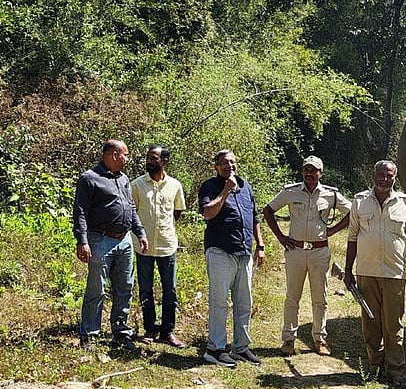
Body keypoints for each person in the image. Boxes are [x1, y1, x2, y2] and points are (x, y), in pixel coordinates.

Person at [263, 155, 351, 356]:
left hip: (320, 252)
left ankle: (319, 339)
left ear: (321, 173)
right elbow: (268, 210)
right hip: (296, 252)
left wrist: (333, 229)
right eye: (306, 170)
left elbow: (353, 211)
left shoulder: (331, 195)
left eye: (314, 170)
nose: (310, 174)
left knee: (320, 297)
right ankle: (288, 340)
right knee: (292, 297)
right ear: (302, 172)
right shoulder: (291, 192)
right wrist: (281, 238)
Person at [344, 160, 406, 386]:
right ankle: (374, 366)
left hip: (394, 273)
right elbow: (352, 237)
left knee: (393, 324)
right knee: (370, 322)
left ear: (395, 178)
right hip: (366, 272)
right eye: (380, 174)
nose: (384, 179)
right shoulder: (359, 201)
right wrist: (348, 270)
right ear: (373, 175)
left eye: (389, 175)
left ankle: (396, 370)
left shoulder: (405, 203)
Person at [72, 139, 148, 353]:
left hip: (124, 240)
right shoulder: (90, 178)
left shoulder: (123, 179)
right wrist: (83, 241)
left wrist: (139, 232)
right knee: (97, 288)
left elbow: (130, 208)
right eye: (125, 155)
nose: (127, 159)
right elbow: (80, 212)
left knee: (125, 286)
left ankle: (121, 332)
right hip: (100, 240)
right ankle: (89, 335)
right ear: (114, 155)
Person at [198, 149, 266, 367]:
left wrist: (261, 245)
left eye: (232, 162)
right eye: (223, 163)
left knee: (244, 302)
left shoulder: (246, 187)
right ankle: (215, 350)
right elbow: (207, 213)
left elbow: (254, 217)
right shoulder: (210, 186)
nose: (229, 166)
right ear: (216, 167)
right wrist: (226, 191)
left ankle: (240, 348)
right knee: (220, 302)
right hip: (220, 250)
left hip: (244, 251)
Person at [130, 144, 187, 348]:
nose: (149, 161)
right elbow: (132, 213)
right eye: (148, 158)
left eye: (154, 158)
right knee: (145, 289)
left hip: (167, 245)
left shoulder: (175, 185)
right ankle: (150, 329)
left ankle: (168, 331)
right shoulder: (136, 185)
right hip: (143, 247)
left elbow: (177, 211)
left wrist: (165, 228)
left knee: (169, 290)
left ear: (164, 161)